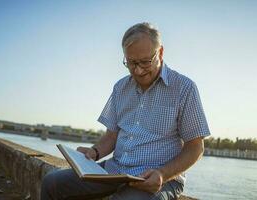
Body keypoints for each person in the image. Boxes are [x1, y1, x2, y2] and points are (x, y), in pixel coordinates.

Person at [41, 22, 210, 200]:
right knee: (51, 183)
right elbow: (112, 136)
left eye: (145, 62)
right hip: (115, 171)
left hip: (160, 178)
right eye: (131, 63)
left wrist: (162, 174)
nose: (138, 70)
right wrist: (94, 152)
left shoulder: (184, 88)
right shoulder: (120, 87)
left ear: (160, 52)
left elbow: (195, 147)